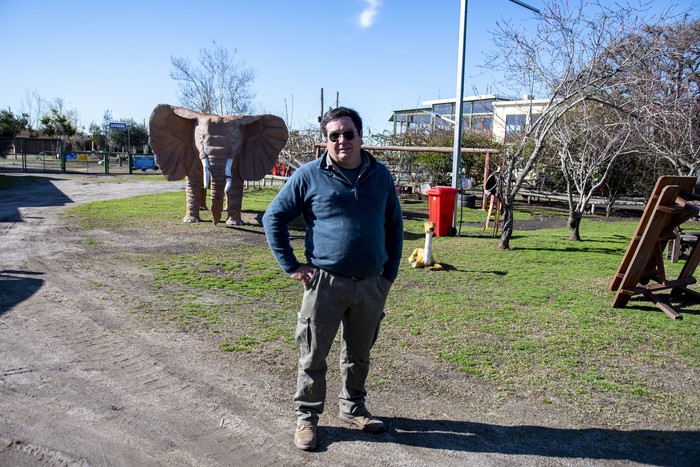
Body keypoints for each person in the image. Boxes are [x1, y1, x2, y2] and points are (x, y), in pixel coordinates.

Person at [262, 107, 403, 451]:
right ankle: (307, 419)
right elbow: (273, 217)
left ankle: (353, 407)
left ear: (360, 136)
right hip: (324, 283)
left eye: (348, 133)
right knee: (313, 354)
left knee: (359, 354)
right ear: (325, 140)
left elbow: (394, 226)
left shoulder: (380, 175)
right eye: (334, 135)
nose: (342, 140)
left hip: (370, 284)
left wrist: (388, 276)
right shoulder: (309, 175)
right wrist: (292, 266)